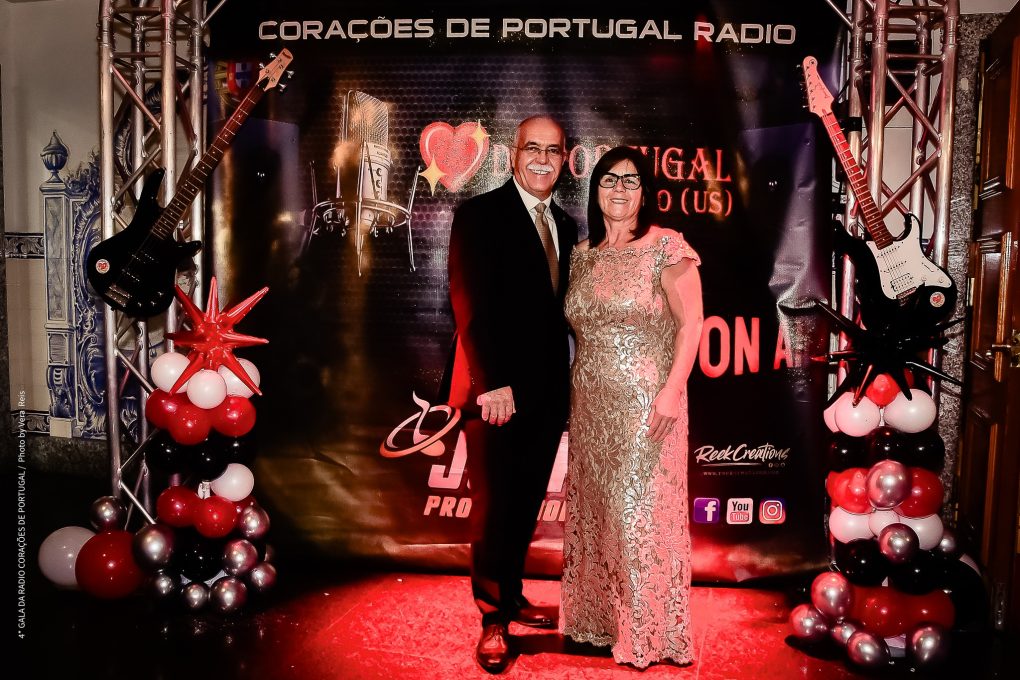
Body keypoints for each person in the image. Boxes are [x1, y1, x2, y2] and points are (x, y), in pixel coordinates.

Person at [560, 145, 704, 668]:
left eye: (630, 180)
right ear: (594, 189)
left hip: (648, 405)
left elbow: (692, 324)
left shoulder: (666, 247)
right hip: (590, 407)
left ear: (645, 192)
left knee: (639, 515)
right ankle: (596, 620)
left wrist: (672, 390)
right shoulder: (581, 254)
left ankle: (650, 632)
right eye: (608, 179)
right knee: (598, 513)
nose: (619, 189)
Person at [445, 115, 578, 674]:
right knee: (495, 508)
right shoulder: (479, 214)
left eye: (553, 150)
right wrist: (491, 381)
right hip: (494, 391)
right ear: (512, 155)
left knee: (523, 503)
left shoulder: (566, 225)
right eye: (532, 149)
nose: (542, 159)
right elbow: (468, 303)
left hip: (546, 393)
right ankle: (493, 617)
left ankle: (514, 594)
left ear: (565, 160)